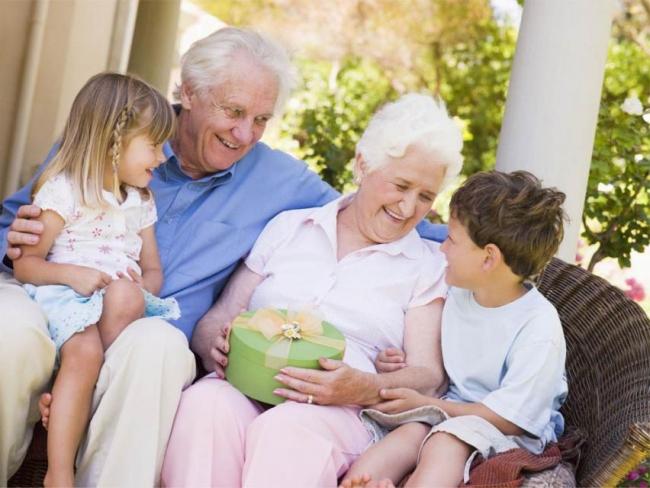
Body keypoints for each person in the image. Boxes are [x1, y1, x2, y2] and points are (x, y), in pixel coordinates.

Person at [0, 28, 447, 485]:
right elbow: (11, 227)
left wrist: (478, 241)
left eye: (260, 119)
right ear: (188, 92)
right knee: (7, 324)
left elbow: (380, 211)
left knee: (160, 350)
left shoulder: (277, 180)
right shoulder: (108, 138)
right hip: (49, 294)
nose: (244, 134)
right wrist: (20, 241)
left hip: (142, 328)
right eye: (234, 112)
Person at [161, 93, 463, 487]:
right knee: (205, 404)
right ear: (363, 164)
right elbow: (219, 316)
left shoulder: (426, 265)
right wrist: (213, 346)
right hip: (249, 383)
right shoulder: (290, 228)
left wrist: (367, 386)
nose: (407, 208)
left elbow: (429, 375)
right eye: (401, 185)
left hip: (342, 410)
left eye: (425, 196)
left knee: (287, 430)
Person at [341, 170, 568, 488]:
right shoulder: (458, 289)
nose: (442, 248)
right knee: (402, 438)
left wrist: (434, 406)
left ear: (488, 258)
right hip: (448, 408)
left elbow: (514, 417)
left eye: (452, 239)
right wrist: (395, 361)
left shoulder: (538, 327)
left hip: (508, 427)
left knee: (446, 441)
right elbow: (429, 352)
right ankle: (361, 482)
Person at [12, 72, 181, 487]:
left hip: (116, 309)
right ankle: (59, 473)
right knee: (84, 352)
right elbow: (27, 265)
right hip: (66, 298)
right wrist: (73, 274)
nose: (161, 158)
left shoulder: (140, 202)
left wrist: (140, 290)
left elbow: (154, 269)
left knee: (128, 303)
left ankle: (69, 400)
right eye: (153, 146)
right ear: (113, 141)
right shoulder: (63, 192)